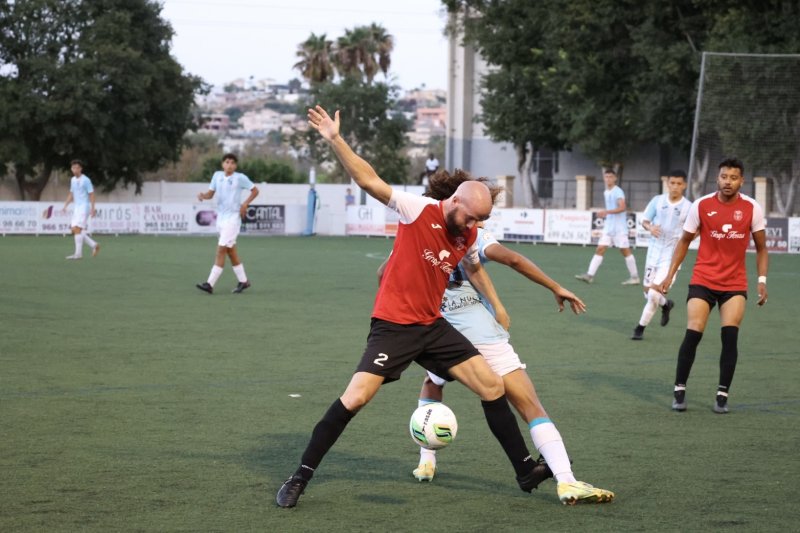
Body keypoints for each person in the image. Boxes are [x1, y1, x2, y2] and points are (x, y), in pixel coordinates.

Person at [276, 105, 551, 508]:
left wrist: (496, 303)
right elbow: (368, 180)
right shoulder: (418, 209)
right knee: (355, 398)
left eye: (481, 221)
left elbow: (478, 268)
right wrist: (335, 139)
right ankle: (299, 477)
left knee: (492, 386)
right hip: (394, 327)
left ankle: (525, 470)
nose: (474, 226)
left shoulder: (465, 234)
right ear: (455, 202)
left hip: (433, 326)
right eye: (472, 217)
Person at [382, 172, 614, 505]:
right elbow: (512, 259)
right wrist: (554, 287)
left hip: (439, 332)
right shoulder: (475, 234)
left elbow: (386, 275)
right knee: (529, 404)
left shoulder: (419, 232)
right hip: (479, 333)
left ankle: (426, 461)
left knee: (433, 383)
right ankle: (567, 480)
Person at [658, 158, 768, 414]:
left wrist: (762, 281)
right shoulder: (702, 205)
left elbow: (762, 248)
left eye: (733, 178)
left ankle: (722, 394)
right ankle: (679, 389)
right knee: (694, 331)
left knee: (730, 337)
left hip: (734, 283)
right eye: (723, 177)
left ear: (741, 181)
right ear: (717, 178)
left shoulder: (752, 208)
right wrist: (670, 275)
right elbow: (684, 241)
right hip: (703, 280)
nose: (727, 181)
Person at [631, 171, 692, 340]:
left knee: (652, 295)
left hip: (672, 257)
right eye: (672, 183)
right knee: (648, 293)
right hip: (653, 252)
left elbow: (695, 230)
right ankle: (666, 304)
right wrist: (650, 228)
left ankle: (639, 329)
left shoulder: (689, 207)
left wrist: (684, 241)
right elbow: (644, 221)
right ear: (668, 183)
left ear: (684, 185)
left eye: (679, 184)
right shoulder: (657, 201)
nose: (675, 186)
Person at [195, 153, 259, 294]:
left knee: (221, 250)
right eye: (227, 162)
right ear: (222, 164)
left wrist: (245, 204)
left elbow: (255, 191)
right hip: (221, 219)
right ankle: (244, 282)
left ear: (235, 166)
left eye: (232, 163)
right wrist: (203, 196)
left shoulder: (240, 178)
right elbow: (210, 194)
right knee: (231, 251)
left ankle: (209, 284)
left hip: (233, 219)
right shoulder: (217, 176)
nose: (229, 165)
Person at [575, 169, 639, 285]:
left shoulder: (618, 191)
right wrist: (607, 213)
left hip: (619, 228)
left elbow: (622, 207)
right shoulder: (606, 192)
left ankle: (635, 277)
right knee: (600, 248)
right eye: (606, 176)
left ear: (615, 178)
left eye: (610, 177)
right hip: (609, 227)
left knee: (625, 251)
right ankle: (589, 275)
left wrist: (607, 212)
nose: (608, 179)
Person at [63, 159, 100, 260]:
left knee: (77, 229)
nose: (75, 170)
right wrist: (65, 205)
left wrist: (93, 208)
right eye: (73, 168)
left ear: (81, 169)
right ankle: (94, 245)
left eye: (77, 168)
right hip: (77, 207)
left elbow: (91, 194)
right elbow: (71, 193)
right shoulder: (73, 180)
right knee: (75, 230)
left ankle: (78, 254)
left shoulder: (86, 180)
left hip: (84, 207)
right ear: (71, 169)